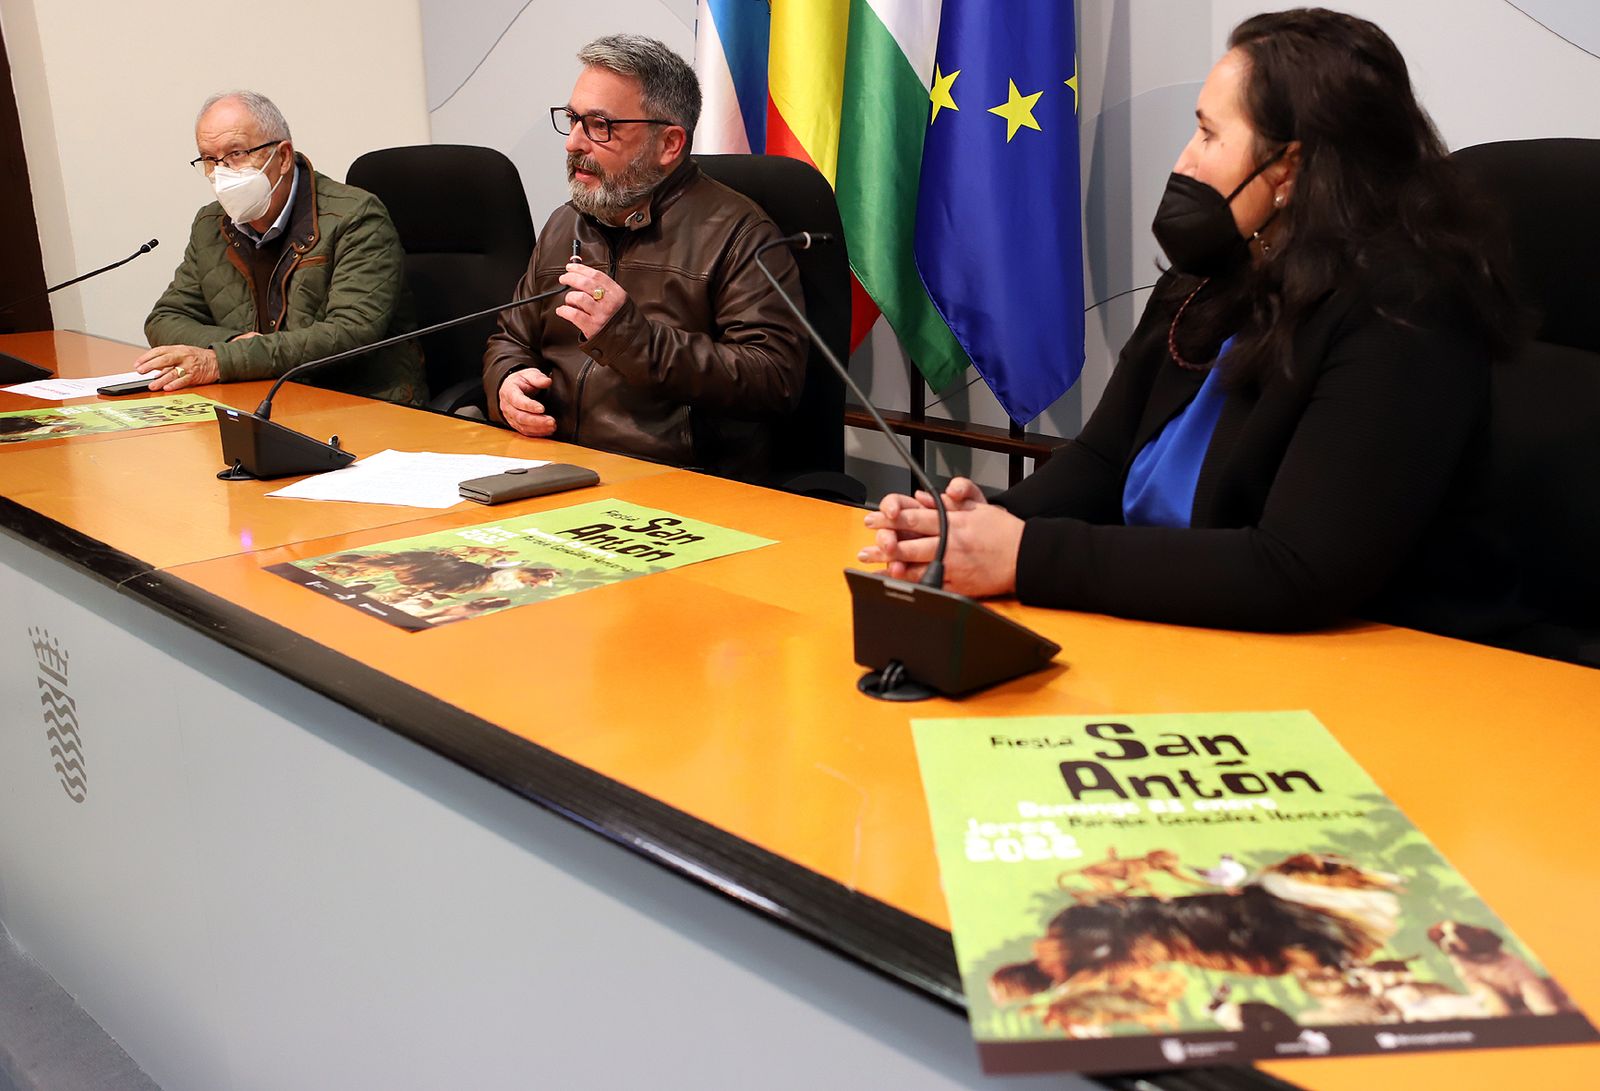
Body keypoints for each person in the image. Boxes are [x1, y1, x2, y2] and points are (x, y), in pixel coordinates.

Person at [861, 8, 1524, 640]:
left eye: (1208, 134)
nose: (1184, 161)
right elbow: (1103, 459)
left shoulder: (1407, 311)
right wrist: (971, 528)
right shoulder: (1217, 270)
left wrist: (1026, 554)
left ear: (1289, 170)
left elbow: (1293, 569)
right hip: (1183, 630)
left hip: (1374, 667)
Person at [482, 35, 807, 482]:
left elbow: (773, 379)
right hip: (557, 467)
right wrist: (508, 381)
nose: (573, 143)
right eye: (573, 120)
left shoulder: (738, 233)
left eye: (600, 125)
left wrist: (632, 339)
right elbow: (511, 339)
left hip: (678, 481)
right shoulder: (565, 223)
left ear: (669, 144)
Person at [139, 91, 425, 406]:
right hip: (260, 397)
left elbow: (351, 333)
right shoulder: (211, 224)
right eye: (209, 159)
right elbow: (165, 317)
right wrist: (234, 347)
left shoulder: (356, 217)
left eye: (237, 153)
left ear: (284, 156)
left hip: (360, 402)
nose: (222, 171)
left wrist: (227, 359)